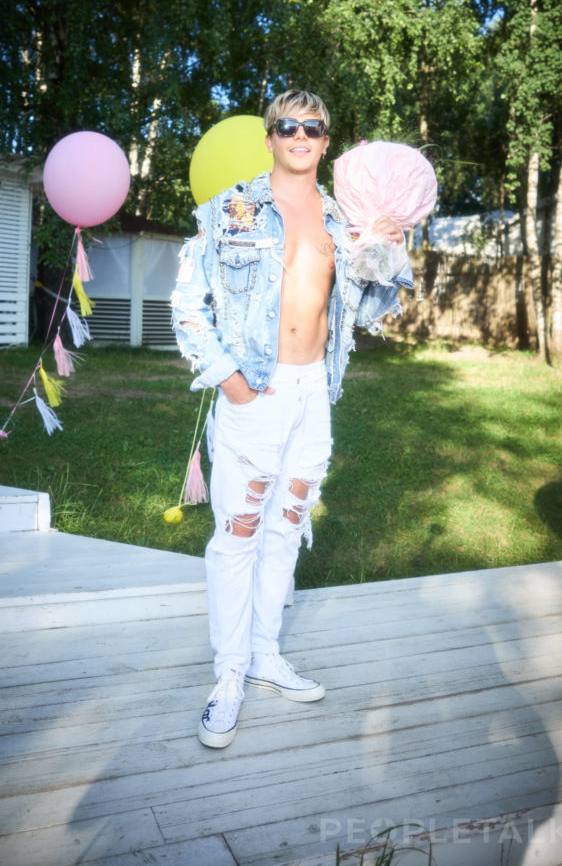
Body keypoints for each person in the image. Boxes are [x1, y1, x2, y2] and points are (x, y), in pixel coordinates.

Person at [171, 89, 412, 748]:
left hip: (313, 397)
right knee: (237, 534)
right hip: (254, 391)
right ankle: (228, 675)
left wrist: (388, 248)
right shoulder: (231, 210)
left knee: (286, 528)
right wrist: (230, 382)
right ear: (270, 138)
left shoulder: (342, 221)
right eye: (286, 126)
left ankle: (265, 655)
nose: (299, 135)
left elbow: (369, 308)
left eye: (312, 126)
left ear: (326, 141)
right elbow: (187, 303)